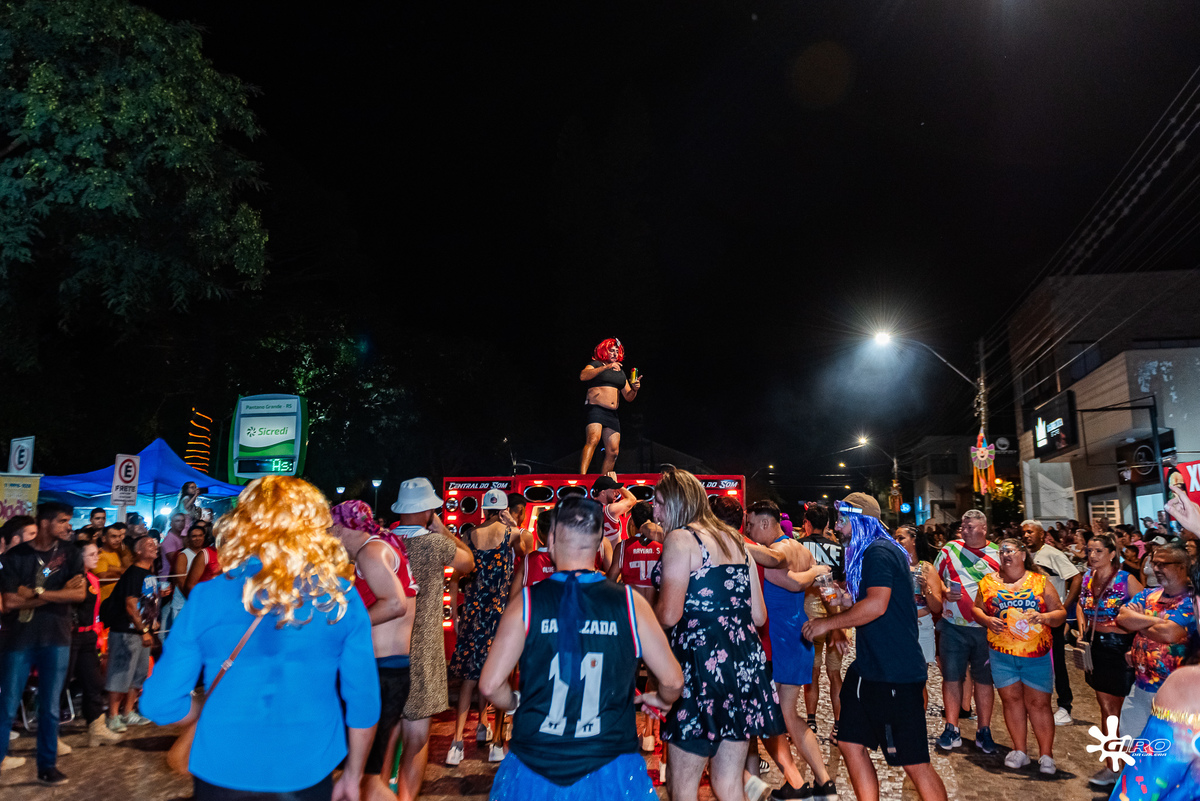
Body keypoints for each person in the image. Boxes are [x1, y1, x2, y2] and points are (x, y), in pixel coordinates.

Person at [141, 475, 379, 801]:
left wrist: (203, 707)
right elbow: (363, 700)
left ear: (243, 524)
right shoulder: (340, 598)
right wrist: (353, 775)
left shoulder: (208, 596)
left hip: (221, 770)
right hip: (306, 767)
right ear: (314, 526)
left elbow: (160, 703)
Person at [479, 496, 684, 801]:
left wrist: (515, 703)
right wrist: (660, 699)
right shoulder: (630, 603)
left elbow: (490, 684)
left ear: (550, 539)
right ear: (600, 543)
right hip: (609, 762)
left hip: (537, 761)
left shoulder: (527, 603)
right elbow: (673, 680)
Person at [802, 495, 947, 801]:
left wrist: (829, 623)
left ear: (861, 521)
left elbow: (877, 605)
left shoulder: (879, 552)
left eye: (843, 520)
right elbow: (873, 601)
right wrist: (845, 600)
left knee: (914, 763)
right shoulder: (874, 551)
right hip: (869, 668)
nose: (837, 527)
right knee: (849, 741)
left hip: (895, 671)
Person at [653, 468, 786, 801]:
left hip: (700, 668)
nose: (654, 511)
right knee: (729, 784)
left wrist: (639, 622)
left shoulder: (681, 539)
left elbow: (669, 615)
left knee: (682, 788)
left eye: (658, 502)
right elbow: (759, 616)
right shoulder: (737, 540)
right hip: (742, 668)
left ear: (676, 503)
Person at [744, 500, 837, 801]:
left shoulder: (776, 554)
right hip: (799, 637)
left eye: (751, 524)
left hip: (780, 641)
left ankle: (793, 783)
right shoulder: (803, 550)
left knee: (771, 716)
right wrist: (834, 620)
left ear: (766, 523)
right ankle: (823, 782)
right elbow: (824, 586)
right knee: (788, 715)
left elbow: (795, 584)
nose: (748, 530)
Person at [389, 477, 474, 801]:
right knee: (417, 738)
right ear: (427, 510)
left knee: (386, 736)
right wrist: (444, 530)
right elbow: (468, 561)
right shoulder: (435, 543)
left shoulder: (382, 541)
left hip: (384, 650)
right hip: (423, 652)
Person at [331, 500, 414, 801]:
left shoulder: (371, 552)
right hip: (392, 668)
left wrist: (346, 626)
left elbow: (395, 604)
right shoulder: (380, 548)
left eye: (328, 530)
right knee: (368, 775)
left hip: (381, 671)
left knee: (364, 778)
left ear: (340, 528)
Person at [0, 502, 86, 785]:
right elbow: (10, 602)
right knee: (7, 705)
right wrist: (57, 593)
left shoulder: (70, 553)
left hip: (57, 638)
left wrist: (35, 593)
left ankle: (47, 766)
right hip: (19, 640)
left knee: (50, 707)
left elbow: (79, 595)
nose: (68, 526)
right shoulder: (16, 556)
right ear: (46, 523)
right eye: (63, 521)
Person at [973, 538, 1066, 774]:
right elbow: (977, 609)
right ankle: (1020, 750)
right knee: (1011, 701)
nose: (1005, 555)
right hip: (1002, 654)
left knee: (1039, 704)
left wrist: (1044, 617)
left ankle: (1046, 755)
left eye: (1010, 550)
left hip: (1036, 653)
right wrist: (987, 620)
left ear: (1023, 555)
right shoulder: (988, 582)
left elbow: (1060, 613)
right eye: (1001, 551)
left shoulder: (1039, 581)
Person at [448, 488, 523, 764]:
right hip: (499, 614)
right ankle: (495, 742)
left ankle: (457, 743)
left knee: (470, 676)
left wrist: (456, 615)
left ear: (484, 509)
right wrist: (514, 525)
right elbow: (527, 554)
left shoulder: (469, 536)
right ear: (504, 510)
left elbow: (455, 578)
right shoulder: (511, 534)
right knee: (496, 675)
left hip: (473, 613)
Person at [1077, 533, 1142, 789]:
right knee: (1106, 708)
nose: (1092, 555)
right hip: (1097, 647)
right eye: (1089, 551)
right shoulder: (1087, 578)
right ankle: (1112, 765)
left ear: (1112, 554)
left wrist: (1135, 646)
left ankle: (1130, 766)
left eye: (1098, 551)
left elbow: (1146, 612)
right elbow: (1081, 604)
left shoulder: (1126, 580)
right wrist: (1083, 627)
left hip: (1121, 647)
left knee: (1124, 710)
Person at [1115, 540, 1196, 745]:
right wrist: (1157, 621)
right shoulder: (1148, 594)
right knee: (1130, 745)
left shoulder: (1192, 600)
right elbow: (1122, 617)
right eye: (1154, 563)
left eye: (1163, 564)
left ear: (1182, 567)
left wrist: (1140, 623)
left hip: (1177, 694)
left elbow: (1169, 634)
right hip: (1141, 687)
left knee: (1168, 750)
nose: (1156, 569)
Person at [933, 509, 1000, 754]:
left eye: (970, 526)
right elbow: (934, 578)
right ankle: (952, 728)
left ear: (984, 528)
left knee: (984, 681)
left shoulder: (997, 553)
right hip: (953, 627)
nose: (965, 530)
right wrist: (943, 591)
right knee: (951, 678)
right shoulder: (949, 550)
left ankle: (984, 730)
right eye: (963, 526)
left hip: (985, 629)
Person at [1021, 519, 1081, 725]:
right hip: (1032, 618)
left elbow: (1076, 577)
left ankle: (1065, 706)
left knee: (1057, 662)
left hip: (1051, 617)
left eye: (1030, 532)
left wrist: (1064, 606)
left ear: (1041, 534)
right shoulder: (1025, 555)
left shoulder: (1053, 554)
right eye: (1024, 532)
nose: (1026, 535)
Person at [796, 503, 848, 736]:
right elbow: (843, 584)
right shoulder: (838, 549)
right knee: (835, 673)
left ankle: (811, 721)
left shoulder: (799, 547)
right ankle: (839, 724)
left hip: (809, 617)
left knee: (813, 673)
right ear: (827, 524)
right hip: (836, 617)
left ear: (806, 523)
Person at [67, 540, 122, 748]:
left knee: (94, 683)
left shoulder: (93, 579)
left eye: (96, 553)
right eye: (91, 554)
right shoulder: (69, 578)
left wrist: (97, 632)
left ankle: (96, 728)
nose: (96, 557)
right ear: (78, 557)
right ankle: (50, 734)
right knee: (60, 684)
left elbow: (95, 611)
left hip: (88, 637)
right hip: (70, 638)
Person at [104, 535, 161, 732]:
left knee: (138, 674)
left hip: (142, 631)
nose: (154, 546)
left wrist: (152, 623)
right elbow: (130, 605)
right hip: (127, 631)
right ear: (138, 551)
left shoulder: (148, 573)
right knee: (121, 673)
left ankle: (128, 712)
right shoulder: (134, 574)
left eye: (154, 544)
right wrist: (143, 629)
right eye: (148, 544)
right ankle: (113, 715)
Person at [894, 524, 943, 707]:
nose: (896, 541)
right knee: (897, 677)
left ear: (914, 540)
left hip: (921, 627)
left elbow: (937, 607)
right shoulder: (894, 565)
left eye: (901, 538)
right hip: (898, 626)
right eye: (895, 538)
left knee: (918, 679)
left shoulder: (926, 568)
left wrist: (926, 589)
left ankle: (917, 720)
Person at [578, 338, 642, 474]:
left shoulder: (620, 371)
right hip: (596, 409)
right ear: (604, 351)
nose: (614, 353)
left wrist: (635, 389)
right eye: (611, 351)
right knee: (593, 439)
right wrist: (606, 367)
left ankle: (604, 481)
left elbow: (628, 397)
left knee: (613, 451)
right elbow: (583, 376)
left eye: (616, 351)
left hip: (612, 414)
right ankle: (582, 477)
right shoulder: (595, 364)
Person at [593, 473, 637, 546]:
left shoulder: (587, 509)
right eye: (613, 490)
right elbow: (632, 499)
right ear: (603, 493)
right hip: (612, 553)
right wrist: (616, 483)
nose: (616, 493)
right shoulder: (610, 510)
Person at [95, 523, 130, 601]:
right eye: (113, 536)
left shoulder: (116, 553)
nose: (118, 540)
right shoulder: (100, 555)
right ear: (104, 539)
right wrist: (121, 572)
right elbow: (102, 577)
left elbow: (128, 570)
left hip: (116, 600)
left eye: (119, 536)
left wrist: (113, 569)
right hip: (104, 601)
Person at [183, 527, 222, 594]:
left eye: (200, 535)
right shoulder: (205, 554)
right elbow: (189, 586)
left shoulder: (236, 554)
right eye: (194, 536)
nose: (197, 539)